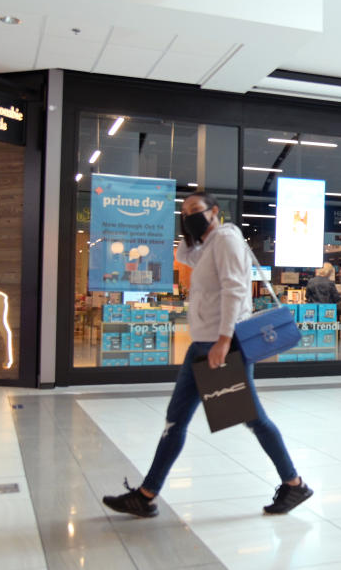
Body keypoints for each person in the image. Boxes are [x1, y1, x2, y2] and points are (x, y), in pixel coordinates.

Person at [102, 192, 312, 518]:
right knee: (176, 418)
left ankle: (294, 483)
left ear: (215, 211)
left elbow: (236, 290)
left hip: (219, 345)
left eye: (195, 211)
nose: (189, 216)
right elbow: (187, 257)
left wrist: (224, 341)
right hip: (202, 344)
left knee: (253, 418)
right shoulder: (208, 245)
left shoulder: (226, 240)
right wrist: (189, 233)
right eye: (184, 213)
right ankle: (145, 495)